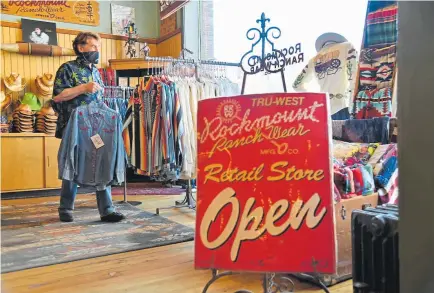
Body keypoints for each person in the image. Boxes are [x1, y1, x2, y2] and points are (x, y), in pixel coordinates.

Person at [52, 32, 125, 223]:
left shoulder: (96, 72)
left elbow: (98, 99)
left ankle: (107, 210)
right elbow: (58, 97)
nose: (96, 50)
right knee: (72, 163)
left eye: (98, 47)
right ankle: (66, 208)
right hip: (74, 127)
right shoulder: (67, 68)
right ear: (81, 47)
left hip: (97, 127)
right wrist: (83, 88)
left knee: (101, 162)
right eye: (93, 47)